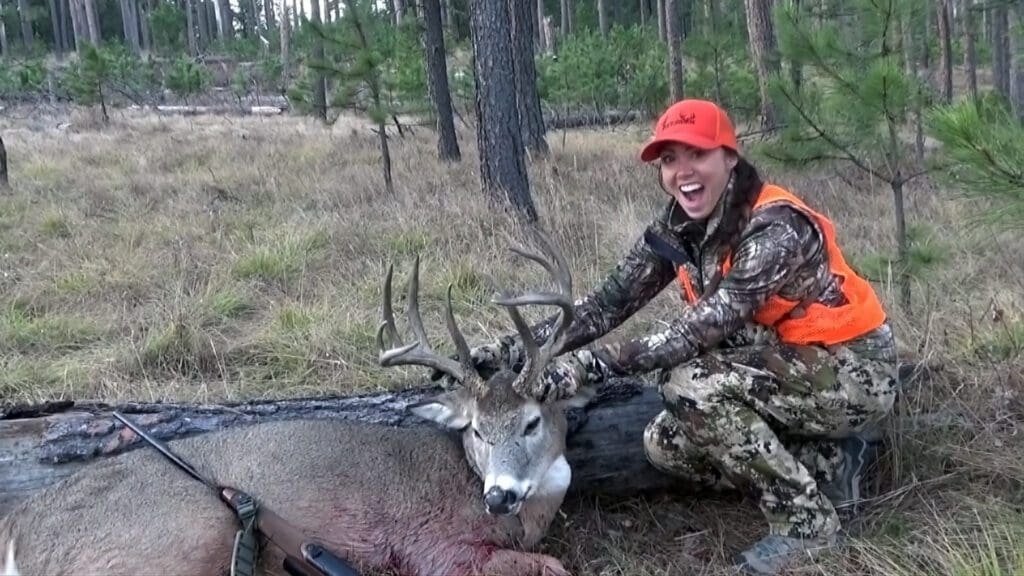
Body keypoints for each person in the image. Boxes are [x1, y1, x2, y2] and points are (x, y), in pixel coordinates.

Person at [456, 99, 899, 574]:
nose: (682, 172)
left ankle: (807, 528)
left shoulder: (775, 227)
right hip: (780, 366)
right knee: (665, 444)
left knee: (689, 383)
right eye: (669, 160)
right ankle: (831, 464)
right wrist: (510, 350)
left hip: (851, 372)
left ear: (730, 157)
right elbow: (608, 302)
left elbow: (698, 330)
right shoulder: (680, 225)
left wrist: (585, 366)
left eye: (697, 154)